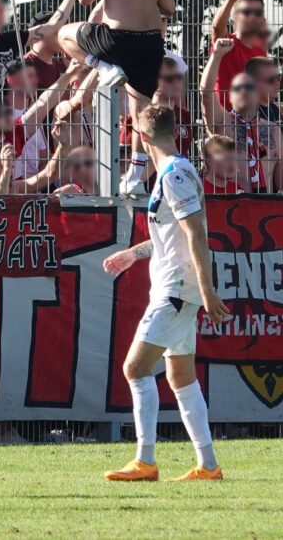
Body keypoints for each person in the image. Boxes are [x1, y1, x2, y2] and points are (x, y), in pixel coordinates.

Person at [100, 104, 230, 482]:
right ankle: (208, 465)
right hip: (177, 285)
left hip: (177, 288)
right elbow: (171, 236)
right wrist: (133, 254)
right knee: (181, 377)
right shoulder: (175, 171)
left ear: (142, 139)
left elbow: (196, 235)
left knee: (135, 369)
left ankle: (145, 460)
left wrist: (206, 290)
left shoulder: (173, 174)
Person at [58, 0, 177, 185]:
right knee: (141, 113)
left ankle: (104, 68)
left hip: (117, 40)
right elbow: (169, 7)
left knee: (64, 34)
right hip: (151, 44)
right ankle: (135, 177)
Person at [201, 39, 283, 193]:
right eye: (238, 88)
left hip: (264, 209)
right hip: (233, 208)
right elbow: (206, 93)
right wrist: (217, 56)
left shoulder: (274, 130)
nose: (244, 92)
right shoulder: (224, 123)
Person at [208, 0, 270, 103]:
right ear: (234, 17)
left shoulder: (261, 51)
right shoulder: (227, 43)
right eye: (246, 12)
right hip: (225, 118)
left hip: (252, 118)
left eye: (258, 13)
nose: (252, 17)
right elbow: (217, 28)